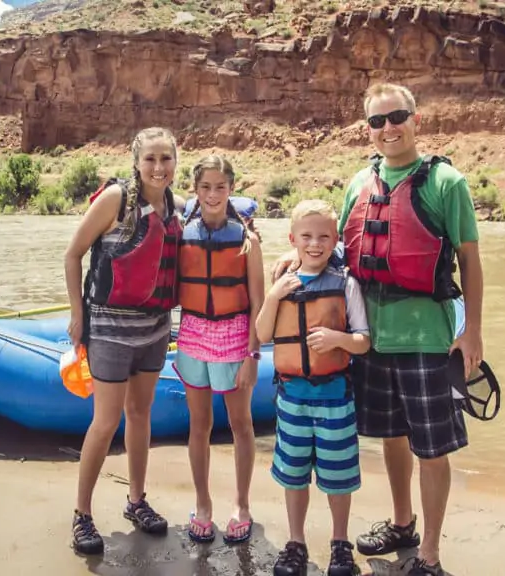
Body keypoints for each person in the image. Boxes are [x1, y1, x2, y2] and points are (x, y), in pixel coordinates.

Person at [270, 82, 484, 576]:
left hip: (427, 336)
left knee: (432, 446)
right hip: (373, 338)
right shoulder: (358, 184)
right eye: (376, 121)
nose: (388, 128)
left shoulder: (447, 182)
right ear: (367, 129)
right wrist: (295, 256)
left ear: (415, 118)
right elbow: (336, 247)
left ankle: (429, 551)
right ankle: (402, 522)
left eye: (396, 117)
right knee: (391, 436)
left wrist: (471, 331)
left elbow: (471, 261)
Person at [63, 126, 187, 555]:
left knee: (140, 414)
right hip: (110, 330)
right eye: (150, 159)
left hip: (154, 329)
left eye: (165, 159)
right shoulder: (115, 200)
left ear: (175, 162)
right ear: (136, 162)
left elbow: (217, 220)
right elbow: (72, 253)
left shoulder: (176, 206)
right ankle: (82, 514)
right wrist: (78, 315)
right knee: (106, 420)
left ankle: (136, 501)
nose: (158, 167)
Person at [257, 199, 371, 576]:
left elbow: (363, 341)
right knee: (293, 475)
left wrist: (338, 338)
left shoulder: (346, 284)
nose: (315, 244)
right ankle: (296, 543)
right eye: (306, 236)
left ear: (335, 239)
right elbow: (262, 333)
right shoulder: (282, 283)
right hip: (292, 398)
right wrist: (273, 295)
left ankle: (340, 543)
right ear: (293, 239)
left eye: (324, 236)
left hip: (335, 398)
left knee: (337, 478)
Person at [173, 155, 264, 545]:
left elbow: (258, 302)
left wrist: (252, 355)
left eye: (220, 187)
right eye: (205, 187)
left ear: (231, 189)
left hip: (233, 335)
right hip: (193, 333)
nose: (213, 195)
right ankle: (203, 504)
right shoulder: (181, 235)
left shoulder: (248, 241)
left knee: (241, 425)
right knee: (200, 425)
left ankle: (241, 505)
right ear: (196, 190)